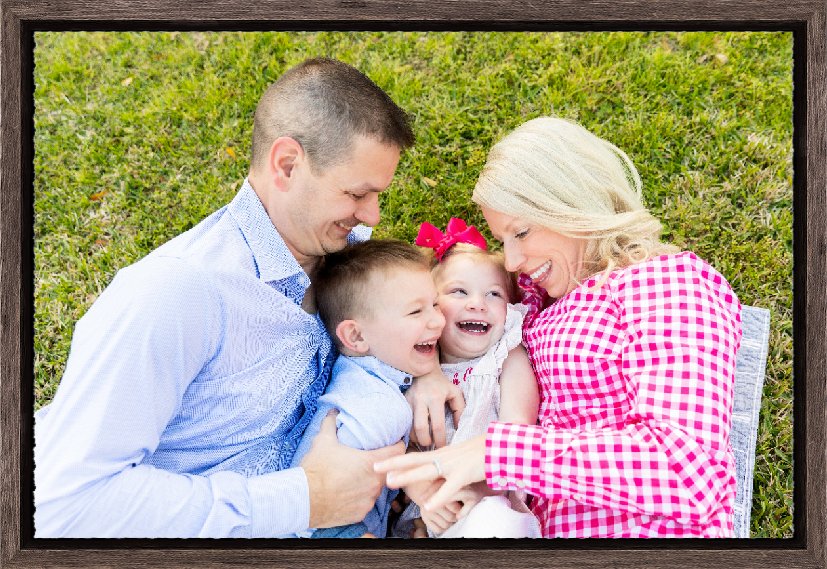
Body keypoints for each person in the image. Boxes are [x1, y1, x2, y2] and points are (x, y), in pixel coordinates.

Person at [33, 57, 463, 538]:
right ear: (287, 164)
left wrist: (422, 371)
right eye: (356, 194)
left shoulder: (350, 256)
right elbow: (64, 504)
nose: (373, 215)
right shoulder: (176, 294)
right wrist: (306, 500)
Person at [375, 117, 743, 538]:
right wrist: (428, 370)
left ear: (571, 203)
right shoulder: (537, 295)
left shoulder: (667, 283)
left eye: (521, 232)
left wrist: (500, 454)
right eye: (503, 240)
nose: (512, 261)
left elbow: (688, 474)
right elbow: (445, 310)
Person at [392, 218, 542, 539]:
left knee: (493, 522)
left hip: (491, 498)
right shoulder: (410, 365)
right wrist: (422, 491)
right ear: (431, 306)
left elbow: (519, 434)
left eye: (494, 294)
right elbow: (399, 443)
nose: (477, 304)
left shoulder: (506, 357)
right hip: (430, 509)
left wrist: (479, 490)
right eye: (459, 291)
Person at [287, 239, 445, 538]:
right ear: (356, 336)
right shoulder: (379, 408)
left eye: (435, 304)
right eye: (416, 312)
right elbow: (323, 513)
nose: (438, 320)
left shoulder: (359, 373)